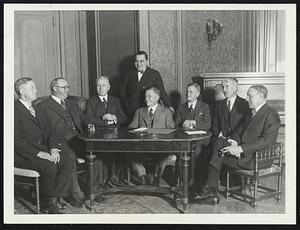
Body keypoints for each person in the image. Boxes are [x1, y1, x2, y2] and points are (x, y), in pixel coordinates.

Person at [193, 85, 281, 205]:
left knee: (216, 155)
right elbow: (239, 131)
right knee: (218, 143)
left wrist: (240, 148)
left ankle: (210, 191)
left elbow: (267, 140)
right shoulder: (251, 112)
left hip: (257, 157)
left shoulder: (271, 113)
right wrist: (233, 141)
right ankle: (210, 191)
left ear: (261, 96)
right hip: (245, 155)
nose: (246, 98)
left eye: (250, 96)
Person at [36, 77, 107, 205]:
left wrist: (104, 123)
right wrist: (52, 146)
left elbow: (84, 119)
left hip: (77, 139)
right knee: (70, 156)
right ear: (54, 89)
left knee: (97, 154)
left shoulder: (71, 103)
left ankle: (93, 190)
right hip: (60, 142)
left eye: (67, 87)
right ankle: (75, 194)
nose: (67, 90)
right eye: (64, 87)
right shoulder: (43, 106)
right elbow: (43, 131)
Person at [14, 77, 75, 214]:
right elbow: (16, 142)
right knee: (49, 166)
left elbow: (50, 131)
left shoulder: (37, 108)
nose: (36, 90)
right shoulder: (13, 111)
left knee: (67, 160)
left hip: (43, 149)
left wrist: (53, 148)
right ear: (22, 91)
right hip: (24, 155)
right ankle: (50, 204)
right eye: (32, 88)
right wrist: (40, 154)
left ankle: (51, 199)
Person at [207, 77, 251, 187]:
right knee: (211, 148)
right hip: (221, 138)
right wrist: (219, 134)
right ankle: (211, 185)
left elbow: (245, 127)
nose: (224, 90)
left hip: (238, 141)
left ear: (235, 88)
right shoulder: (219, 105)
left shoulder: (245, 104)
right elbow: (215, 124)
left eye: (227, 87)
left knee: (216, 149)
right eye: (223, 87)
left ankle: (211, 186)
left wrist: (234, 140)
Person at [84, 76, 127, 184]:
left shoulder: (115, 100)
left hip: (115, 133)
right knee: (101, 154)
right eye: (98, 85)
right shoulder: (91, 101)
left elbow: (123, 117)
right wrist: (106, 122)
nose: (100, 88)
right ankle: (101, 182)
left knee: (120, 151)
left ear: (108, 87)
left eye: (103, 85)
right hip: (99, 134)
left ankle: (114, 177)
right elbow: (88, 118)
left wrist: (114, 117)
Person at [129, 87, 175, 185]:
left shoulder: (166, 112)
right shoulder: (139, 111)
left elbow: (172, 130)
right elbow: (131, 128)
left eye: (149, 96)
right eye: (145, 96)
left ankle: (156, 178)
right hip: (141, 145)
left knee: (164, 154)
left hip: (161, 145)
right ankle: (142, 177)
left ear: (157, 97)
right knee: (131, 152)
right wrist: (137, 131)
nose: (146, 98)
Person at [174, 83, 211, 189]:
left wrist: (194, 123)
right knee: (181, 151)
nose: (188, 94)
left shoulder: (204, 107)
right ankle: (181, 181)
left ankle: (194, 181)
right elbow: (176, 124)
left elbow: (207, 125)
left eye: (191, 92)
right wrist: (183, 124)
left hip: (200, 139)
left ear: (197, 94)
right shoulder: (181, 107)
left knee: (197, 151)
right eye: (187, 91)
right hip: (185, 138)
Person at [122, 51, 171, 122]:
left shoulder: (154, 74)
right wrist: (126, 107)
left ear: (147, 61)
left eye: (141, 61)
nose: (139, 64)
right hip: (131, 112)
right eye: (136, 61)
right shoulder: (128, 74)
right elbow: (122, 93)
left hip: (147, 112)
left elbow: (162, 93)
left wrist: (169, 106)